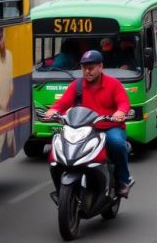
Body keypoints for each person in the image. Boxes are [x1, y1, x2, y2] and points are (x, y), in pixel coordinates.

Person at [43, 50, 134, 197]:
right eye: (84, 67)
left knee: (116, 143)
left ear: (100, 67)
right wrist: (53, 110)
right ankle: (61, 190)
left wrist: (120, 112)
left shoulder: (113, 84)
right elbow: (62, 103)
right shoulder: (77, 86)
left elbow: (123, 103)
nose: (87, 71)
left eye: (91, 67)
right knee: (57, 151)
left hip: (109, 127)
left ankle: (123, 180)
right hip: (83, 129)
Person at [0, 27, 16, 156]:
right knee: (2, 125)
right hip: (1, 99)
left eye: (3, 39)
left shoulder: (10, 55)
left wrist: (10, 96)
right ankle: (1, 150)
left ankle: (10, 146)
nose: (2, 42)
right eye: (0, 39)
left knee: (8, 122)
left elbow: (11, 79)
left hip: (8, 96)